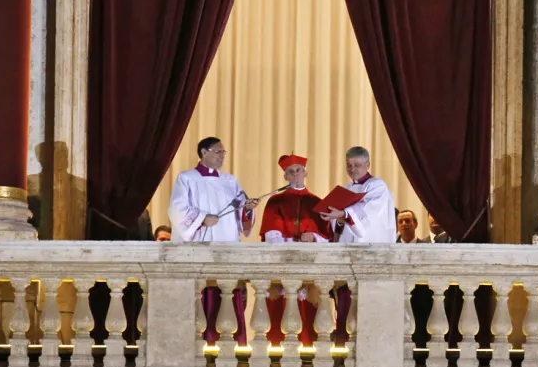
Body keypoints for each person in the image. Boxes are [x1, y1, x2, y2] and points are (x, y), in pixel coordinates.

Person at [168, 137, 259, 347]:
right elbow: (177, 209)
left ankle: (230, 343)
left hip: (226, 245)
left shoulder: (229, 180)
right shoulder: (187, 179)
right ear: (203, 152)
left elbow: (240, 209)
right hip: (202, 243)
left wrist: (247, 208)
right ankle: (199, 342)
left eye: (223, 152)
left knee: (226, 292)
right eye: (218, 152)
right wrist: (202, 219)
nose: (222, 156)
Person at [319, 146, 397, 347]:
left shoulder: (377, 186)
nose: (352, 169)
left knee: (369, 308)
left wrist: (344, 214)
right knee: (344, 306)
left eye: (357, 165)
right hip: (348, 257)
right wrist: (334, 217)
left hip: (371, 256)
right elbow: (343, 224)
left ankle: (370, 348)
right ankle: (342, 348)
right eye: (349, 165)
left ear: (368, 165)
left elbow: (369, 212)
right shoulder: (345, 190)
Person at [259, 153, 332, 349]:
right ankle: (277, 349)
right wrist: (289, 246)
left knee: (308, 311)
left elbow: (328, 237)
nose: (295, 174)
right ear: (285, 176)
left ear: (305, 172)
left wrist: (314, 237)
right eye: (290, 172)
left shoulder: (318, 202)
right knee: (280, 309)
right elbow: (271, 234)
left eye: (298, 170)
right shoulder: (274, 202)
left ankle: (310, 348)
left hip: (310, 265)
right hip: (282, 263)